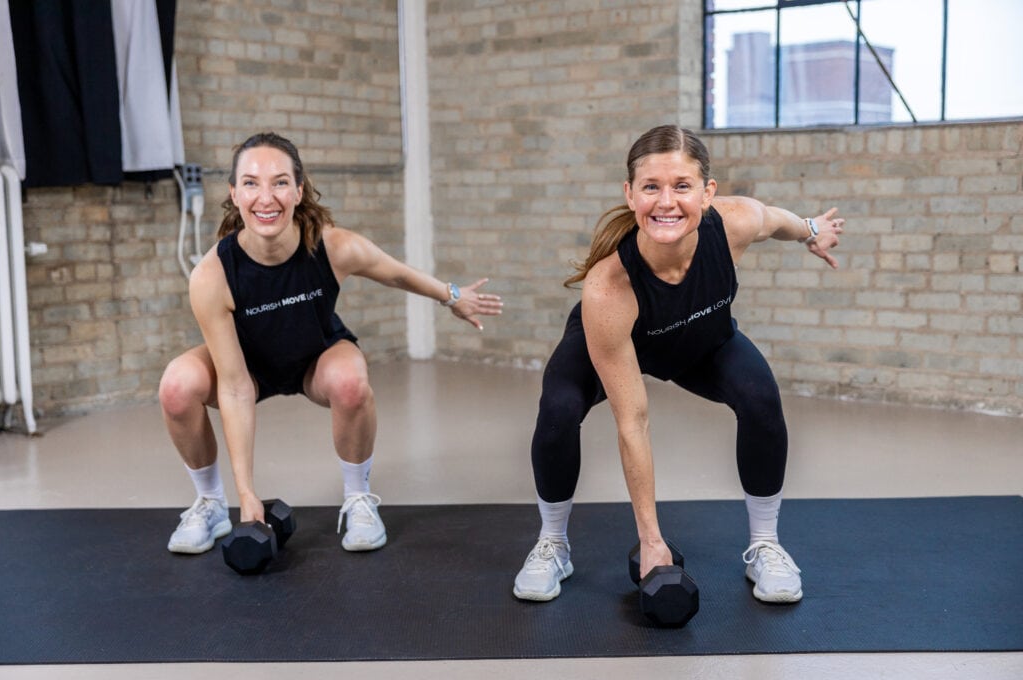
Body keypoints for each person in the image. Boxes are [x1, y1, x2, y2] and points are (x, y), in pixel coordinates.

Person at [512, 124, 844, 604]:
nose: (666, 202)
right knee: (558, 410)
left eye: (681, 186)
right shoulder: (608, 288)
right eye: (651, 187)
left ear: (707, 193)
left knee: (761, 398)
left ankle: (766, 544)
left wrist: (811, 230)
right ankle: (553, 544)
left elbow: (777, 220)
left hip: (700, 341)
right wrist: (651, 540)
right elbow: (634, 421)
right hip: (616, 339)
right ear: (630, 194)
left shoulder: (735, 221)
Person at [160, 131, 503, 556]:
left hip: (314, 358)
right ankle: (211, 505)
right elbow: (233, 386)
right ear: (234, 193)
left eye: (279, 182)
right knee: (177, 385)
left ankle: (358, 498)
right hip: (246, 366)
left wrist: (452, 296)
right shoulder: (212, 275)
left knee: (350, 381)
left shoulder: (331, 246)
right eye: (251, 183)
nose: (265, 197)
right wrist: (245, 493)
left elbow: (394, 272)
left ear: (299, 190)